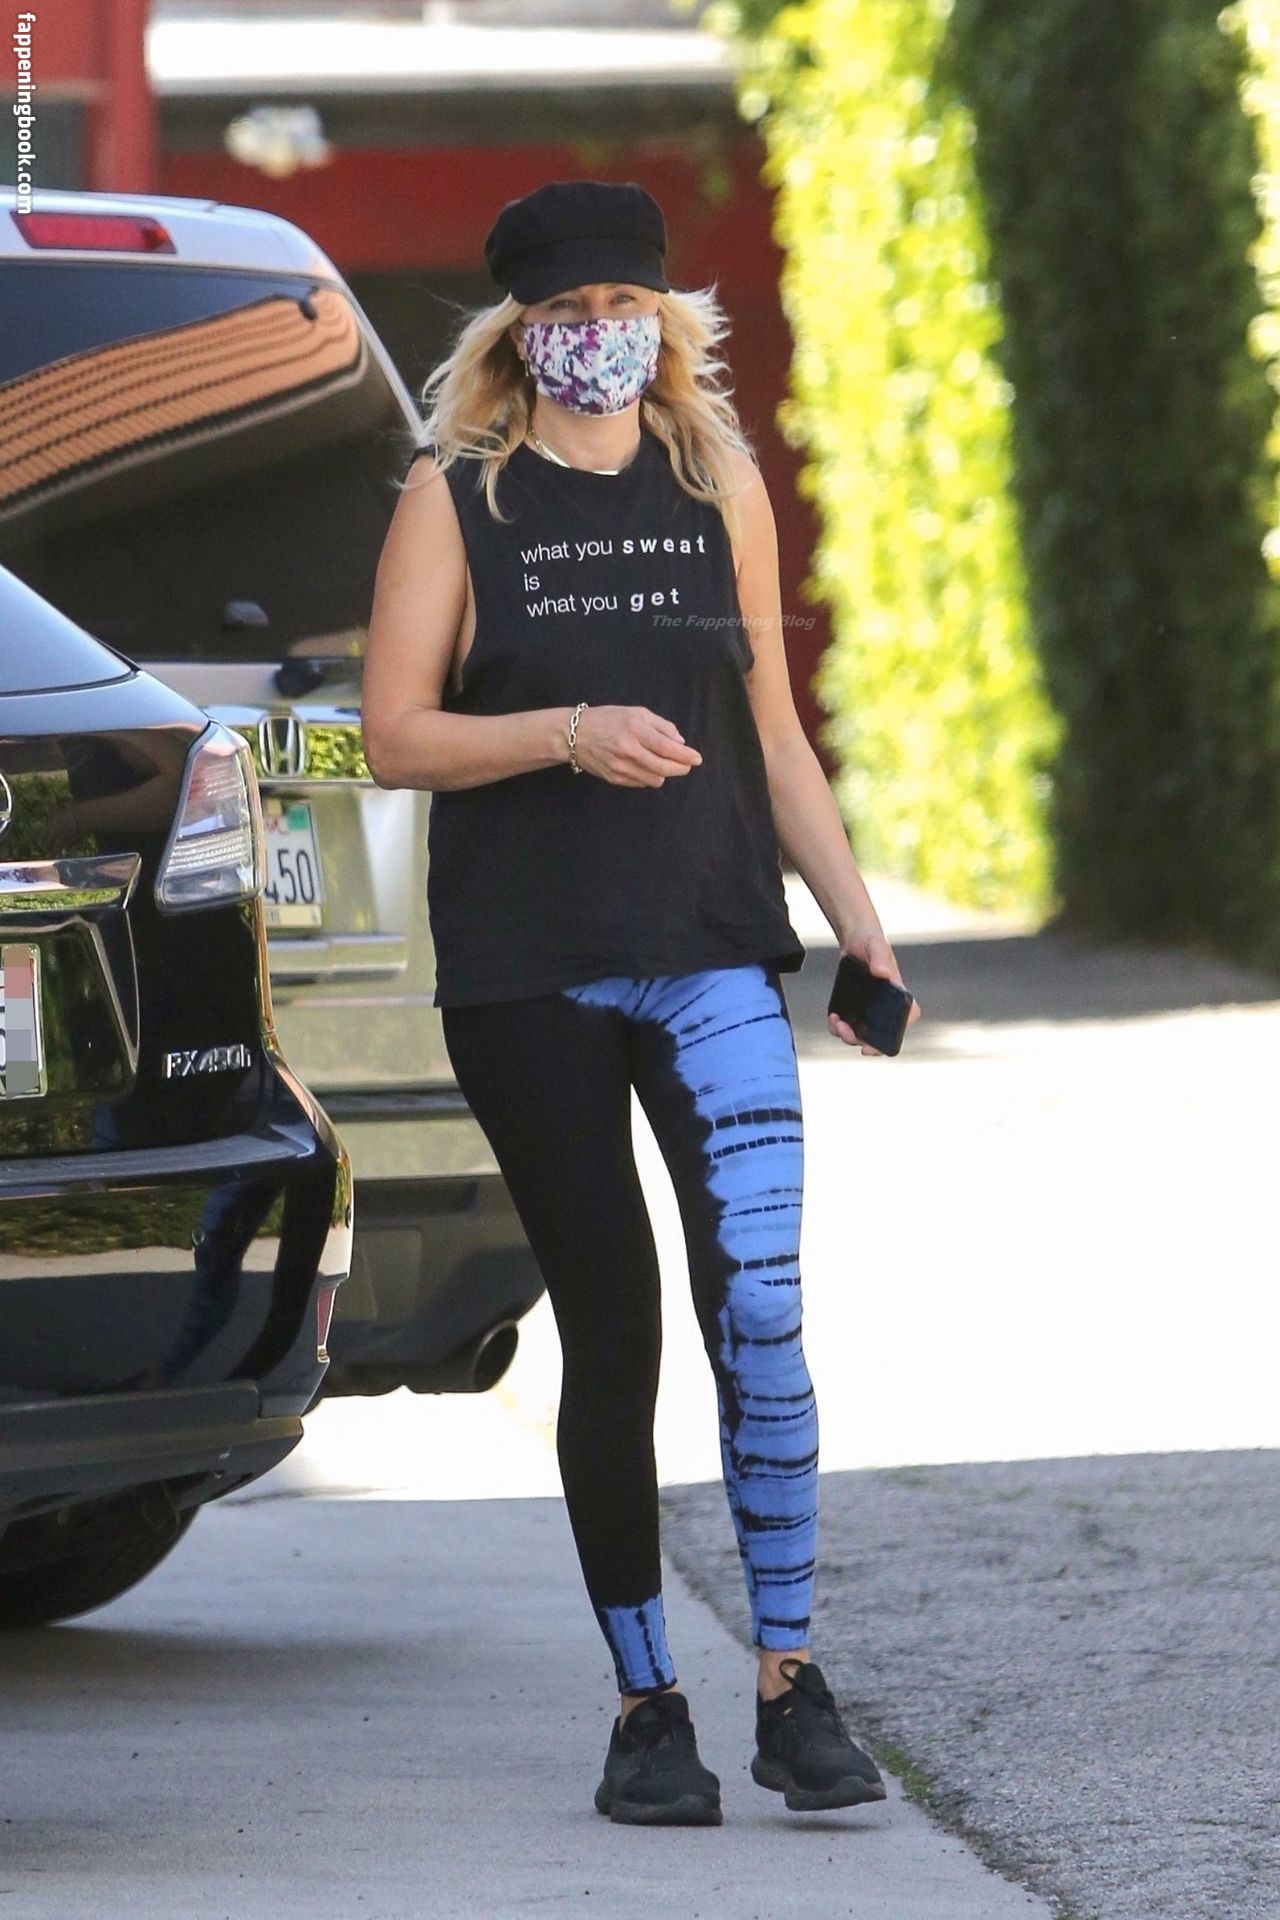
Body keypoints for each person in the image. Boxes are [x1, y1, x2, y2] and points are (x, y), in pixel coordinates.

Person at [362, 179, 921, 1827]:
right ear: (518, 331)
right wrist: (565, 732)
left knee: (764, 1309)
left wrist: (861, 928)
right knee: (614, 1327)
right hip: (527, 970)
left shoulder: (714, 482)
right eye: (563, 310)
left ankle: (793, 1686)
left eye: (621, 303)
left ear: (664, 318)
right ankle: (646, 1705)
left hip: (711, 945)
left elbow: (775, 731)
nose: (595, 331)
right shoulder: (457, 498)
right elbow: (395, 733)